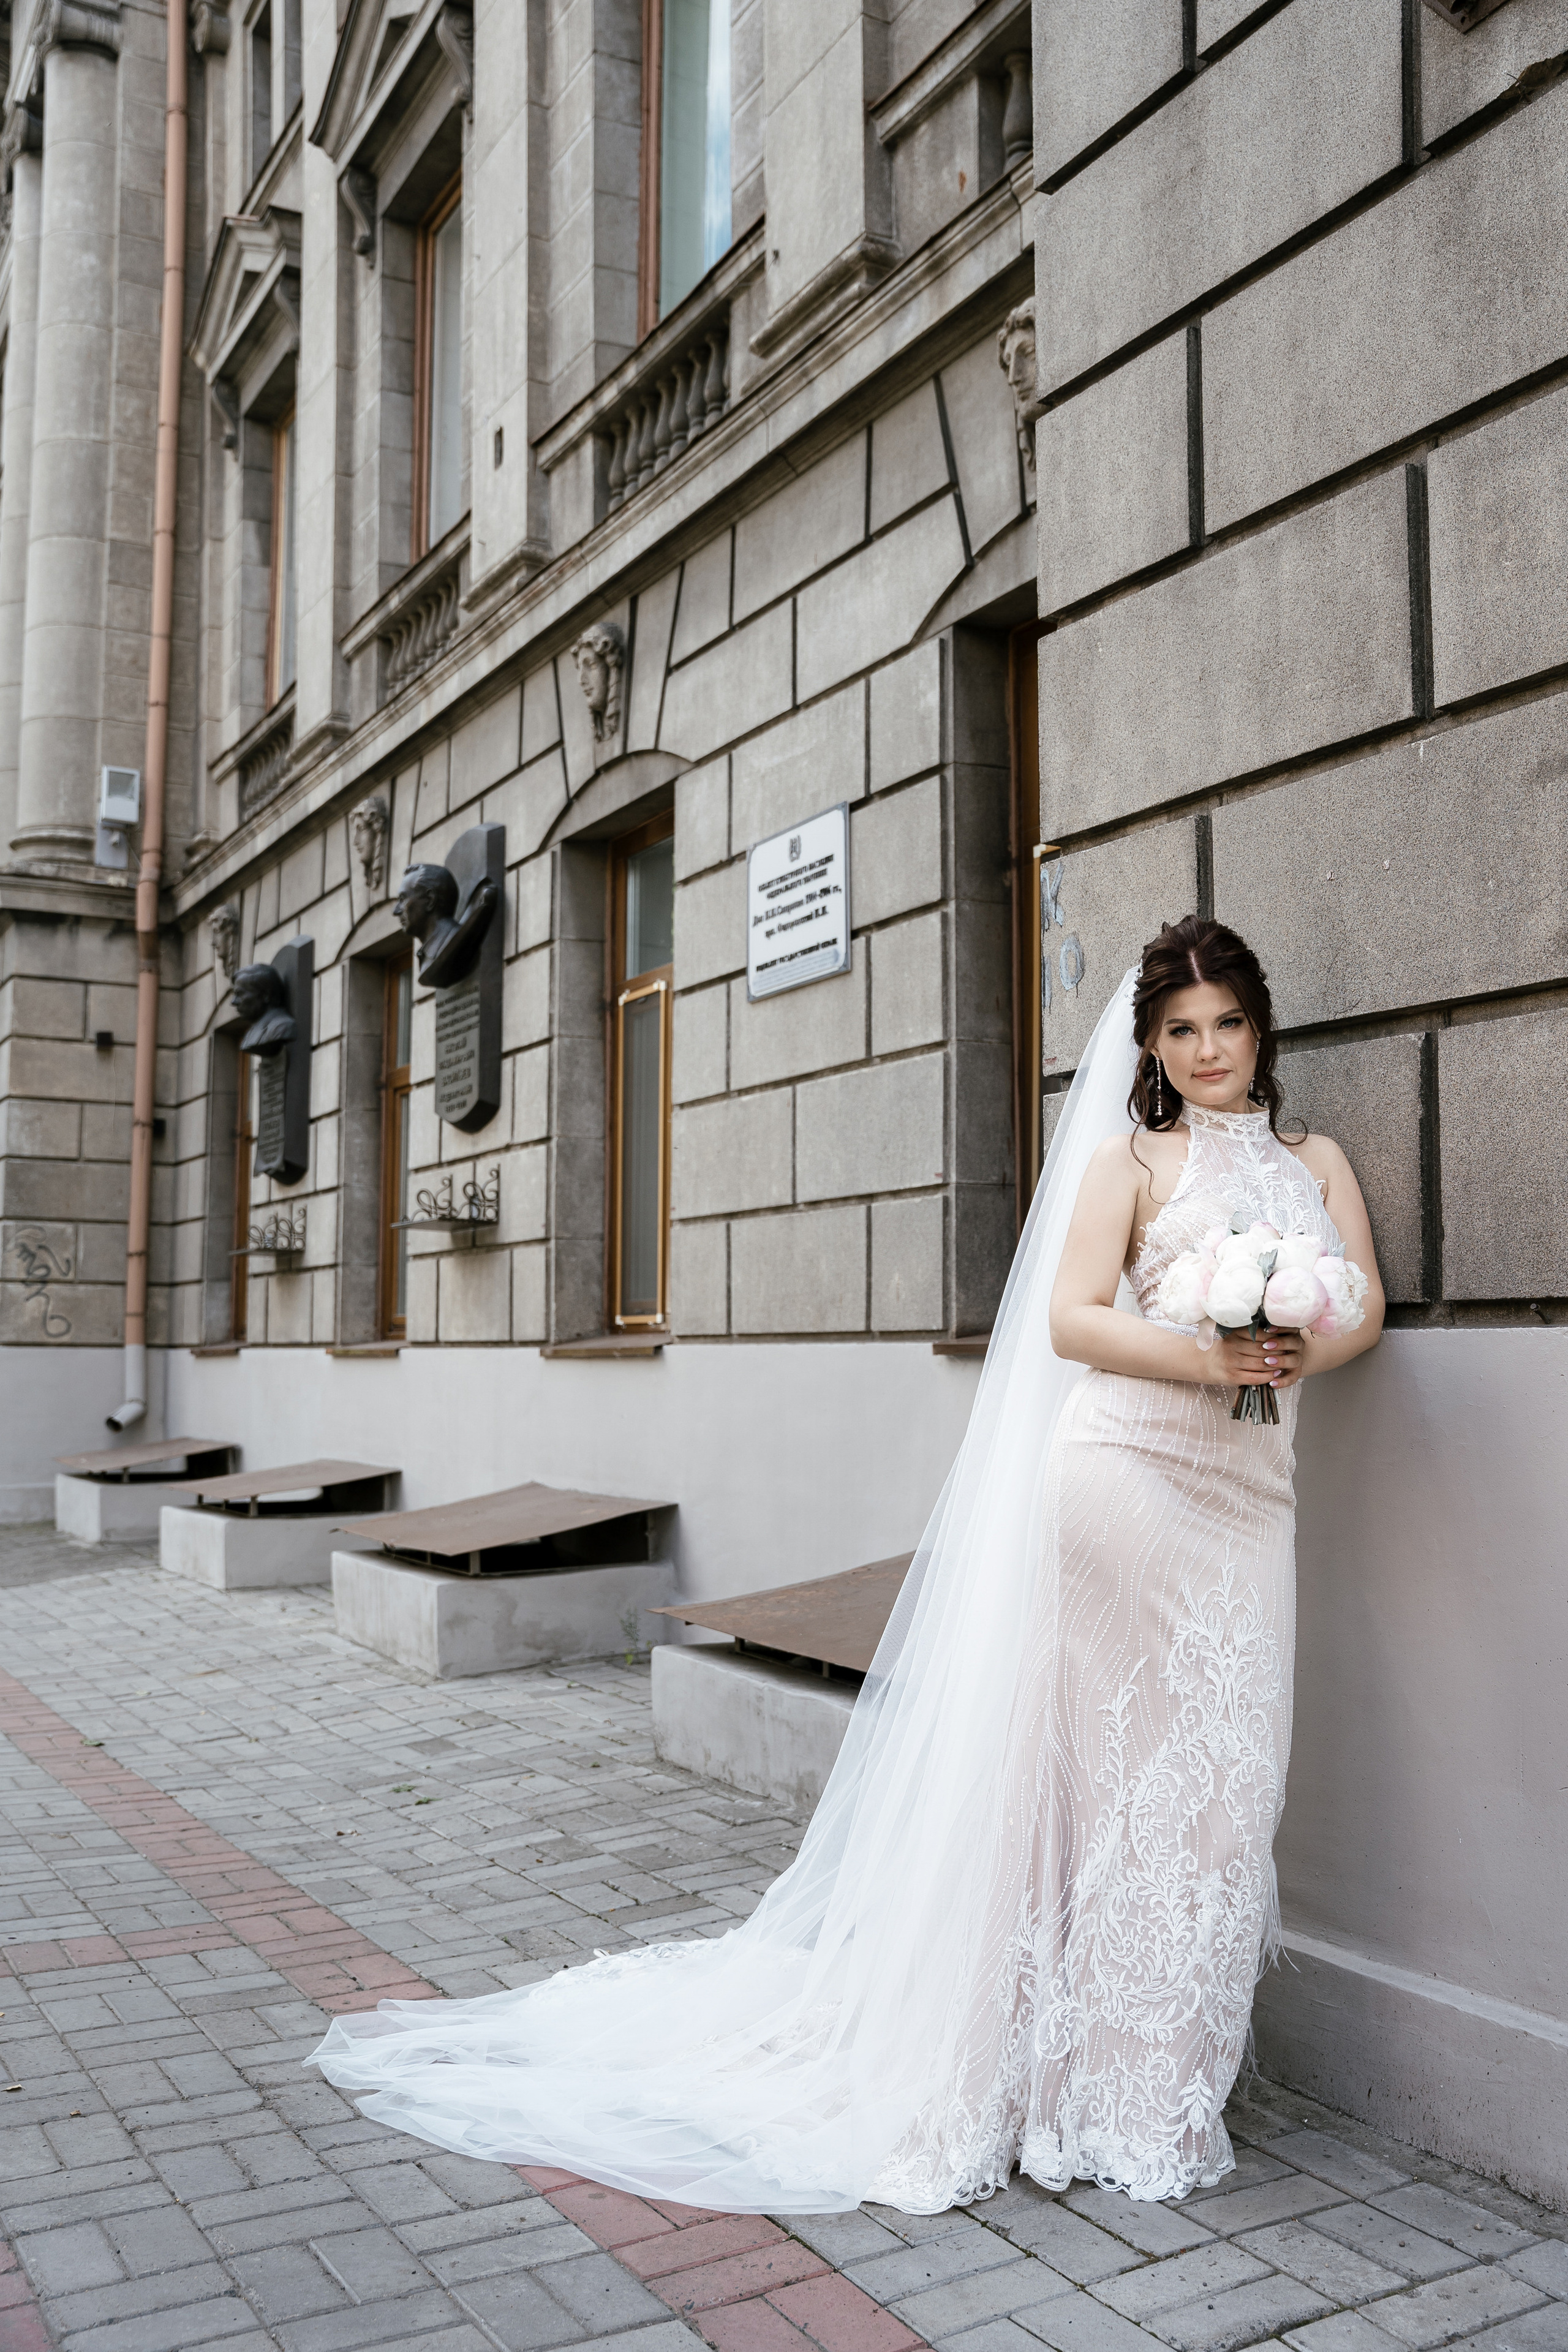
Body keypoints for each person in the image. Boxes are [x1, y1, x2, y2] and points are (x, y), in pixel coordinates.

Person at [309, 916, 1384, 2212]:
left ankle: (1154, 2080)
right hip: (1129, 1480)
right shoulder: (1130, 1160)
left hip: (1248, 1500)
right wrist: (1212, 1354)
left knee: (1224, 1786)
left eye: (1227, 1024)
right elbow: (1068, 1320)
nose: (1208, 1051)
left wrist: (1294, 1346)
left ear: (1261, 1029)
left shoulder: (1315, 1162)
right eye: (1181, 1031)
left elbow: (1364, 1305)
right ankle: (1094, 2092)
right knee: (1109, 1784)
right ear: (1150, 1047)